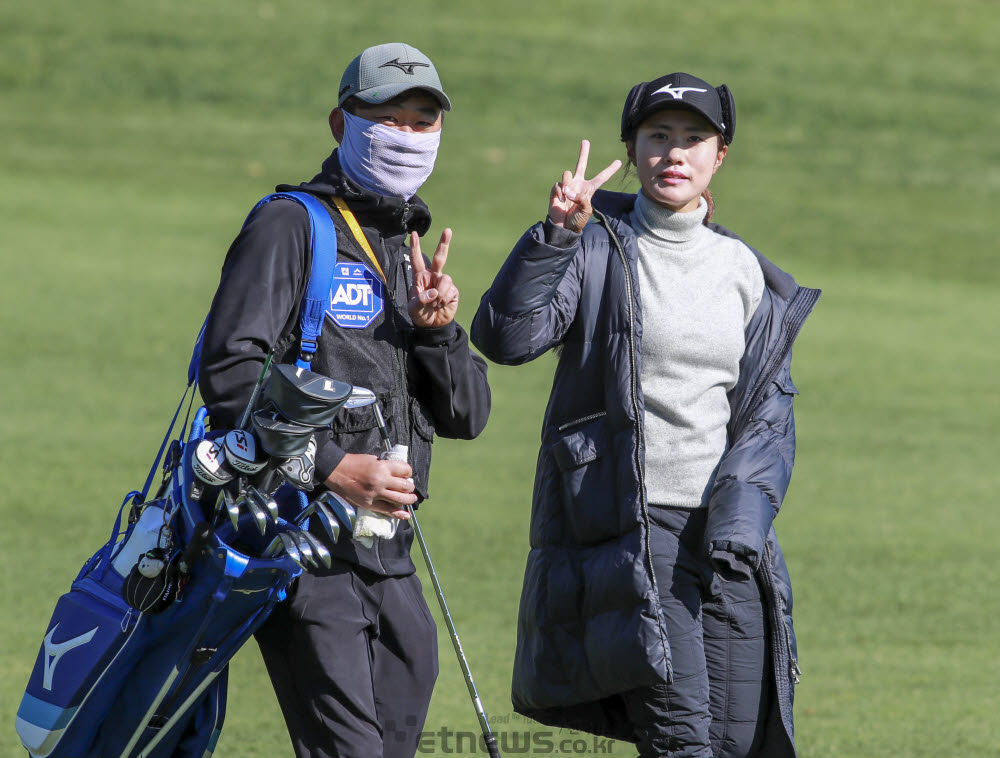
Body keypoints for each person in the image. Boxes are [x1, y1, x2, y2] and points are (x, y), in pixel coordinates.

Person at [471, 73, 819, 757]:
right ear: (631, 150)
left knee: (745, 744)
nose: (674, 153)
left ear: (721, 155)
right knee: (682, 740)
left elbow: (768, 418)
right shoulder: (595, 246)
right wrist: (554, 236)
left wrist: (742, 524)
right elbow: (507, 337)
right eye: (658, 137)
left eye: (694, 139)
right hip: (633, 528)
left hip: (726, 537)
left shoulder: (745, 270)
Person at [198, 42, 491, 758]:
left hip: (389, 555)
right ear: (341, 123)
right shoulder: (290, 225)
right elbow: (230, 371)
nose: (408, 136)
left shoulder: (407, 244)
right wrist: (333, 466)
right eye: (387, 118)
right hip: (300, 546)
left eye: (423, 121)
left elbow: (467, 415)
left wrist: (438, 332)